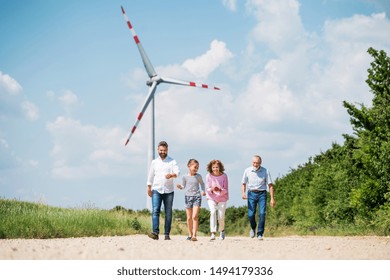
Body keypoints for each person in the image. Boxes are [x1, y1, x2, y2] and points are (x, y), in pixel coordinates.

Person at [147, 141, 180, 240]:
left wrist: (172, 175)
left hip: (169, 191)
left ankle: (166, 234)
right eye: (161, 150)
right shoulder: (154, 162)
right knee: (155, 210)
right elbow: (150, 175)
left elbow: (177, 172)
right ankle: (155, 233)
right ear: (158, 150)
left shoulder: (172, 161)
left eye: (164, 150)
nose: (162, 152)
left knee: (168, 212)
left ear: (167, 150)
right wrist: (149, 187)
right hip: (156, 189)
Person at [241, 155, 275, 240]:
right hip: (251, 193)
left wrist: (272, 198)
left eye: (257, 163)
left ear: (260, 163)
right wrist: (243, 193)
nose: (255, 164)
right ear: (252, 162)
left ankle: (260, 233)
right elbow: (243, 183)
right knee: (250, 214)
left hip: (262, 194)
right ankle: (253, 227)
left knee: (262, 213)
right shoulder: (247, 170)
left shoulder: (265, 171)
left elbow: (270, 185)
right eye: (254, 162)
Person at [176, 159, 206, 241]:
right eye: (195, 167)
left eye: (197, 167)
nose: (196, 169)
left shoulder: (198, 176)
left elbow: (202, 184)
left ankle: (194, 235)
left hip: (197, 197)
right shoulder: (185, 177)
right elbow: (183, 186)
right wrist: (180, 187)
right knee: (189, 217)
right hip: (188, 197)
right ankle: (190, 234)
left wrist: (203, 190)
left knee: (195, 216)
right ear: (189, 166)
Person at [205, 159, 229, 240]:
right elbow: (207, 189)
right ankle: (213, 233)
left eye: (217, 167)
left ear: (220, 168)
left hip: (222, 198)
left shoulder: (224, 176)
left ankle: (222, 231)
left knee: (221, 216)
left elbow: (226, 189)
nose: (215, 169)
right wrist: (212, 189)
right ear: (211, 168)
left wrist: (220, 190)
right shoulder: (208, 176)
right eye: (214, 167)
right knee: (212, 212)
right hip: (211, 198)